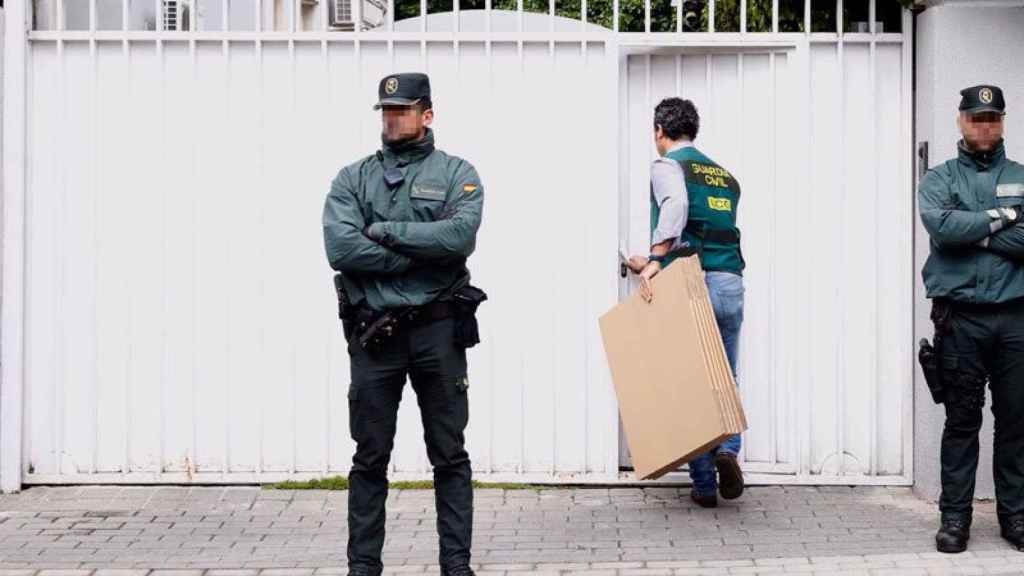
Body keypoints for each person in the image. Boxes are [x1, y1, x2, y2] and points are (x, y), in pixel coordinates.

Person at [322, 72, 485, 576]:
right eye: (387, 110)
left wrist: (387, 232)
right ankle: (363, 567)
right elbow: (341, 247)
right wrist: (417, 257)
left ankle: (456, 566)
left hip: (438, 333)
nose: (392, 118)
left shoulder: (460, 173)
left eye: (403, 109)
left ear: (427, 114)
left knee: (449, 455)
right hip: (375, 337)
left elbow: (458, 238)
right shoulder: (352, 179)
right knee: (369, 457)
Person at [918, 84, 1024, 555]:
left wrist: (973, 229)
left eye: (993, 118)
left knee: (1016, 423)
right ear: (961, 121)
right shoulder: (939, 179)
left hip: (1015, 320)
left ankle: (1015, 518)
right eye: (977, 118)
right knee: (961, 423)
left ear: (1002, 123)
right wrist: (1005, 218)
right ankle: (955, 520)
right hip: (960, 321)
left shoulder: (1022, 175)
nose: (985, 126)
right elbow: (940, 228)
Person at [627, 97, 746, 508]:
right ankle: (729, 449)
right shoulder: (724, 176)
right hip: (730, 280)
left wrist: (656, 259)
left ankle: (704, 486)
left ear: (659, 131)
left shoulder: (667, 164)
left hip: (693, 280)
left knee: (691, 386)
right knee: (724, 376)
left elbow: (676, 207)